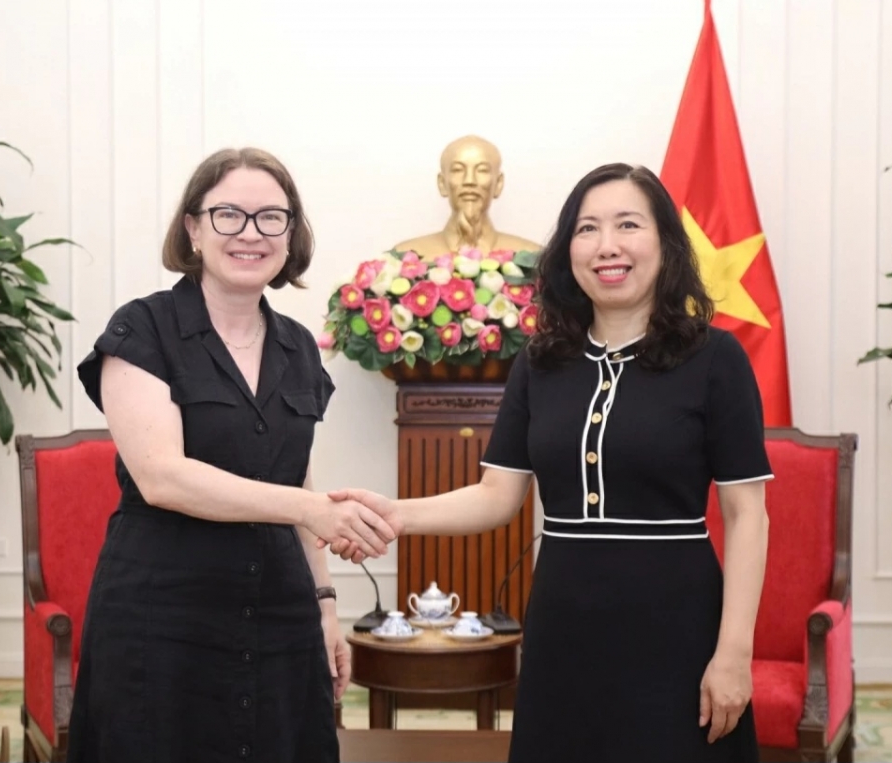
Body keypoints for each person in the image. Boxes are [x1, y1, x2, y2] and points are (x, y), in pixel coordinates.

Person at [326, 163, 772, 762]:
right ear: (569, 252)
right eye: (587, 229)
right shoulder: (540, 360)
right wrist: (394, 513)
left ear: (665, 243)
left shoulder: (716, 358)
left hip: (677, 625)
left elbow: (748, 515)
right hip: (564, 625)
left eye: (627, 225)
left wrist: (734, 653)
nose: (607, 245)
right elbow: (496, 496)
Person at [68, 147, 397, 763]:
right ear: (192, 228)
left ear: (290, 234)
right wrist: (310, 506)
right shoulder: (142, 330)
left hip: (279, 608)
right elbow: (162, 477)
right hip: (161, 614)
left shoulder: (299, 346)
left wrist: (324, 605)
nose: (251, 233)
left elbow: (296, 473)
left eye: (272, 217)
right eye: (229, 215)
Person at [391, 135, 542, 260]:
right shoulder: (406, 257)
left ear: (498, 184)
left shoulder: (531, 257)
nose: (469, 180)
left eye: (482, 170)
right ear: (442, 183)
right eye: (457, 170)